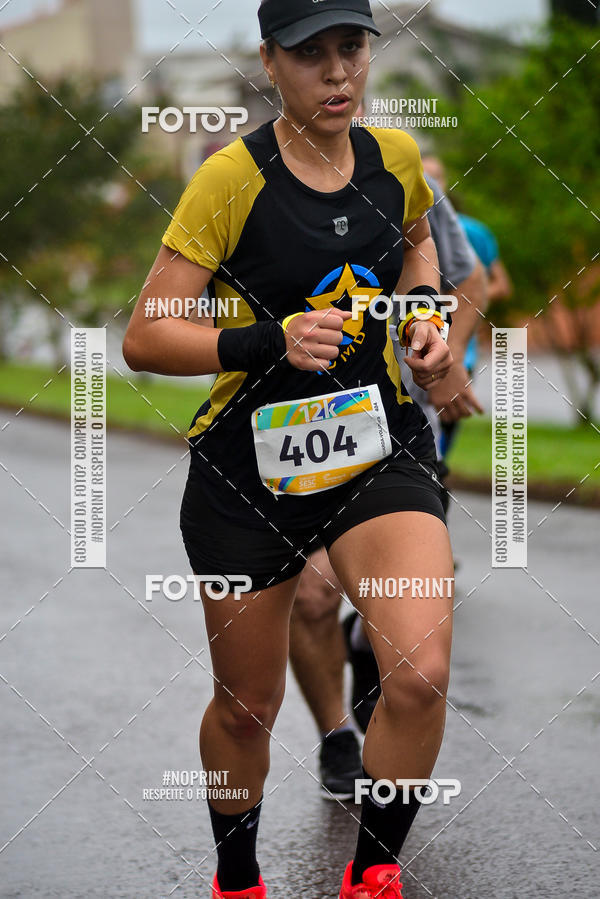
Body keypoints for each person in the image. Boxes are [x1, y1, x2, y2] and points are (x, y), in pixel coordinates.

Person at [123, 1, 454, 896]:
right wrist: (267, 341)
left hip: (376, 446)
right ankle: (238, 877)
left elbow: (418, 244)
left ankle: (372, 878)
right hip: (247, 470)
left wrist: (423, 313)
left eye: (353, 49)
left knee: (419, 675)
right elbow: (146, 336)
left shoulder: (394, 162)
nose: (339, 73)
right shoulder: (231, 179)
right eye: (312, 55)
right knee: (245, 708)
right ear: (270, 62)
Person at [290, 169, 488, 773]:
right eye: (310, 64)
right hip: (295, 431)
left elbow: (470, 278)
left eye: (347, 64)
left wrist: (441, 362)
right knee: (312, 597)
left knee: (395, 612)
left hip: (396, 433)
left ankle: (368, 647)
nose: (332, 74)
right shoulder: (249, 180)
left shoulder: (405, 177)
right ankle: (337, 738)